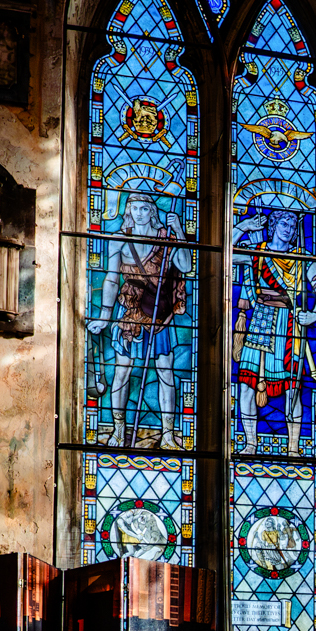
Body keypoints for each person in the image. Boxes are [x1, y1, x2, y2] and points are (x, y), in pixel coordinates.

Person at [87, 191, 194, 448]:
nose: (139, 214)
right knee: (122, 373)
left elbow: (186, 266)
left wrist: (178, 231)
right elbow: (112, 279)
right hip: (130, 313)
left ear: (152, 212)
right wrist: (104, 316)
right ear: (128, 211)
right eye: (134, 208)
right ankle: (118, 430)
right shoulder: (119, 241)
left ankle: (167, 433)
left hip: (159, 315)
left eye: (145, 209)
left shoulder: (166, 239)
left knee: (166, 373)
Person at [231, 204, 316, 456]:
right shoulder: (256, 252)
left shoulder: (303, 258)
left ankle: (292, 448)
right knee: (247, 385)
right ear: (273, 226)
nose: (289, 229)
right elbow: (225, 252)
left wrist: (314, 314)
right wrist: (243, 226)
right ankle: (251, 443)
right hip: (261, 321)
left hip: (289, 325)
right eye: (284, 224)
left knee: (293, 388)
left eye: (293, 225)